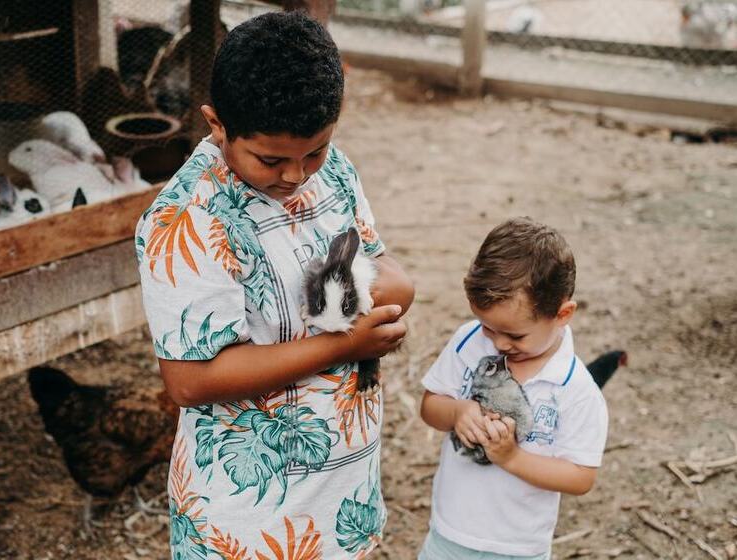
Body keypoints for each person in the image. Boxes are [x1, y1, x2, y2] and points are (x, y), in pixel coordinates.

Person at [135, 11, 414, 559]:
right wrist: (344, 341)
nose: (296, 175)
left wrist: (385, 293)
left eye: (316, 149)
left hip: (340, 492)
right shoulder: (191, 220)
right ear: (217, 125)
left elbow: (390, 275)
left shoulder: (331, 174)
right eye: (271, 159)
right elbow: (190, 380)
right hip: (250, 521)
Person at [419, 217, 608, 559]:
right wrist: (457, 412)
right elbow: (430, 405)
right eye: (488, 327)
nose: (498, 343)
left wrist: (512, 458)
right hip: (448, 533)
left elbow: (581, 477)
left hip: (517, 548)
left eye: (515, 335)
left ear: (563, 314)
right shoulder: (469, 343)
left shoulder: (574, 388)